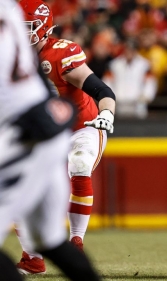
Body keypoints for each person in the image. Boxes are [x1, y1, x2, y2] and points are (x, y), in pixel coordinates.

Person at [0, 1, 101, 280]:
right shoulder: (9, 15)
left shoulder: (57, 50)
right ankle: (35, 258)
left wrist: (106, 108)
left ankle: (64, 243)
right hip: (39, 128)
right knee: (49, 237)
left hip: (26, 131)